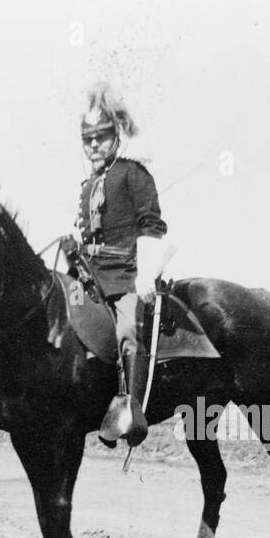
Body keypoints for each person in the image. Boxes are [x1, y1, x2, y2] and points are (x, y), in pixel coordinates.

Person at [70, 82, 168, 446]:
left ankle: (130, 411)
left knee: (128, 331)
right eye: (88, 139)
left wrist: (147, 275)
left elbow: (150, 224)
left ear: (116, 136)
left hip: (126, 276)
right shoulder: (88, 183)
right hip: (91, 279)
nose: (94, 145)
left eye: (102, 137)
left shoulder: (133, 173)